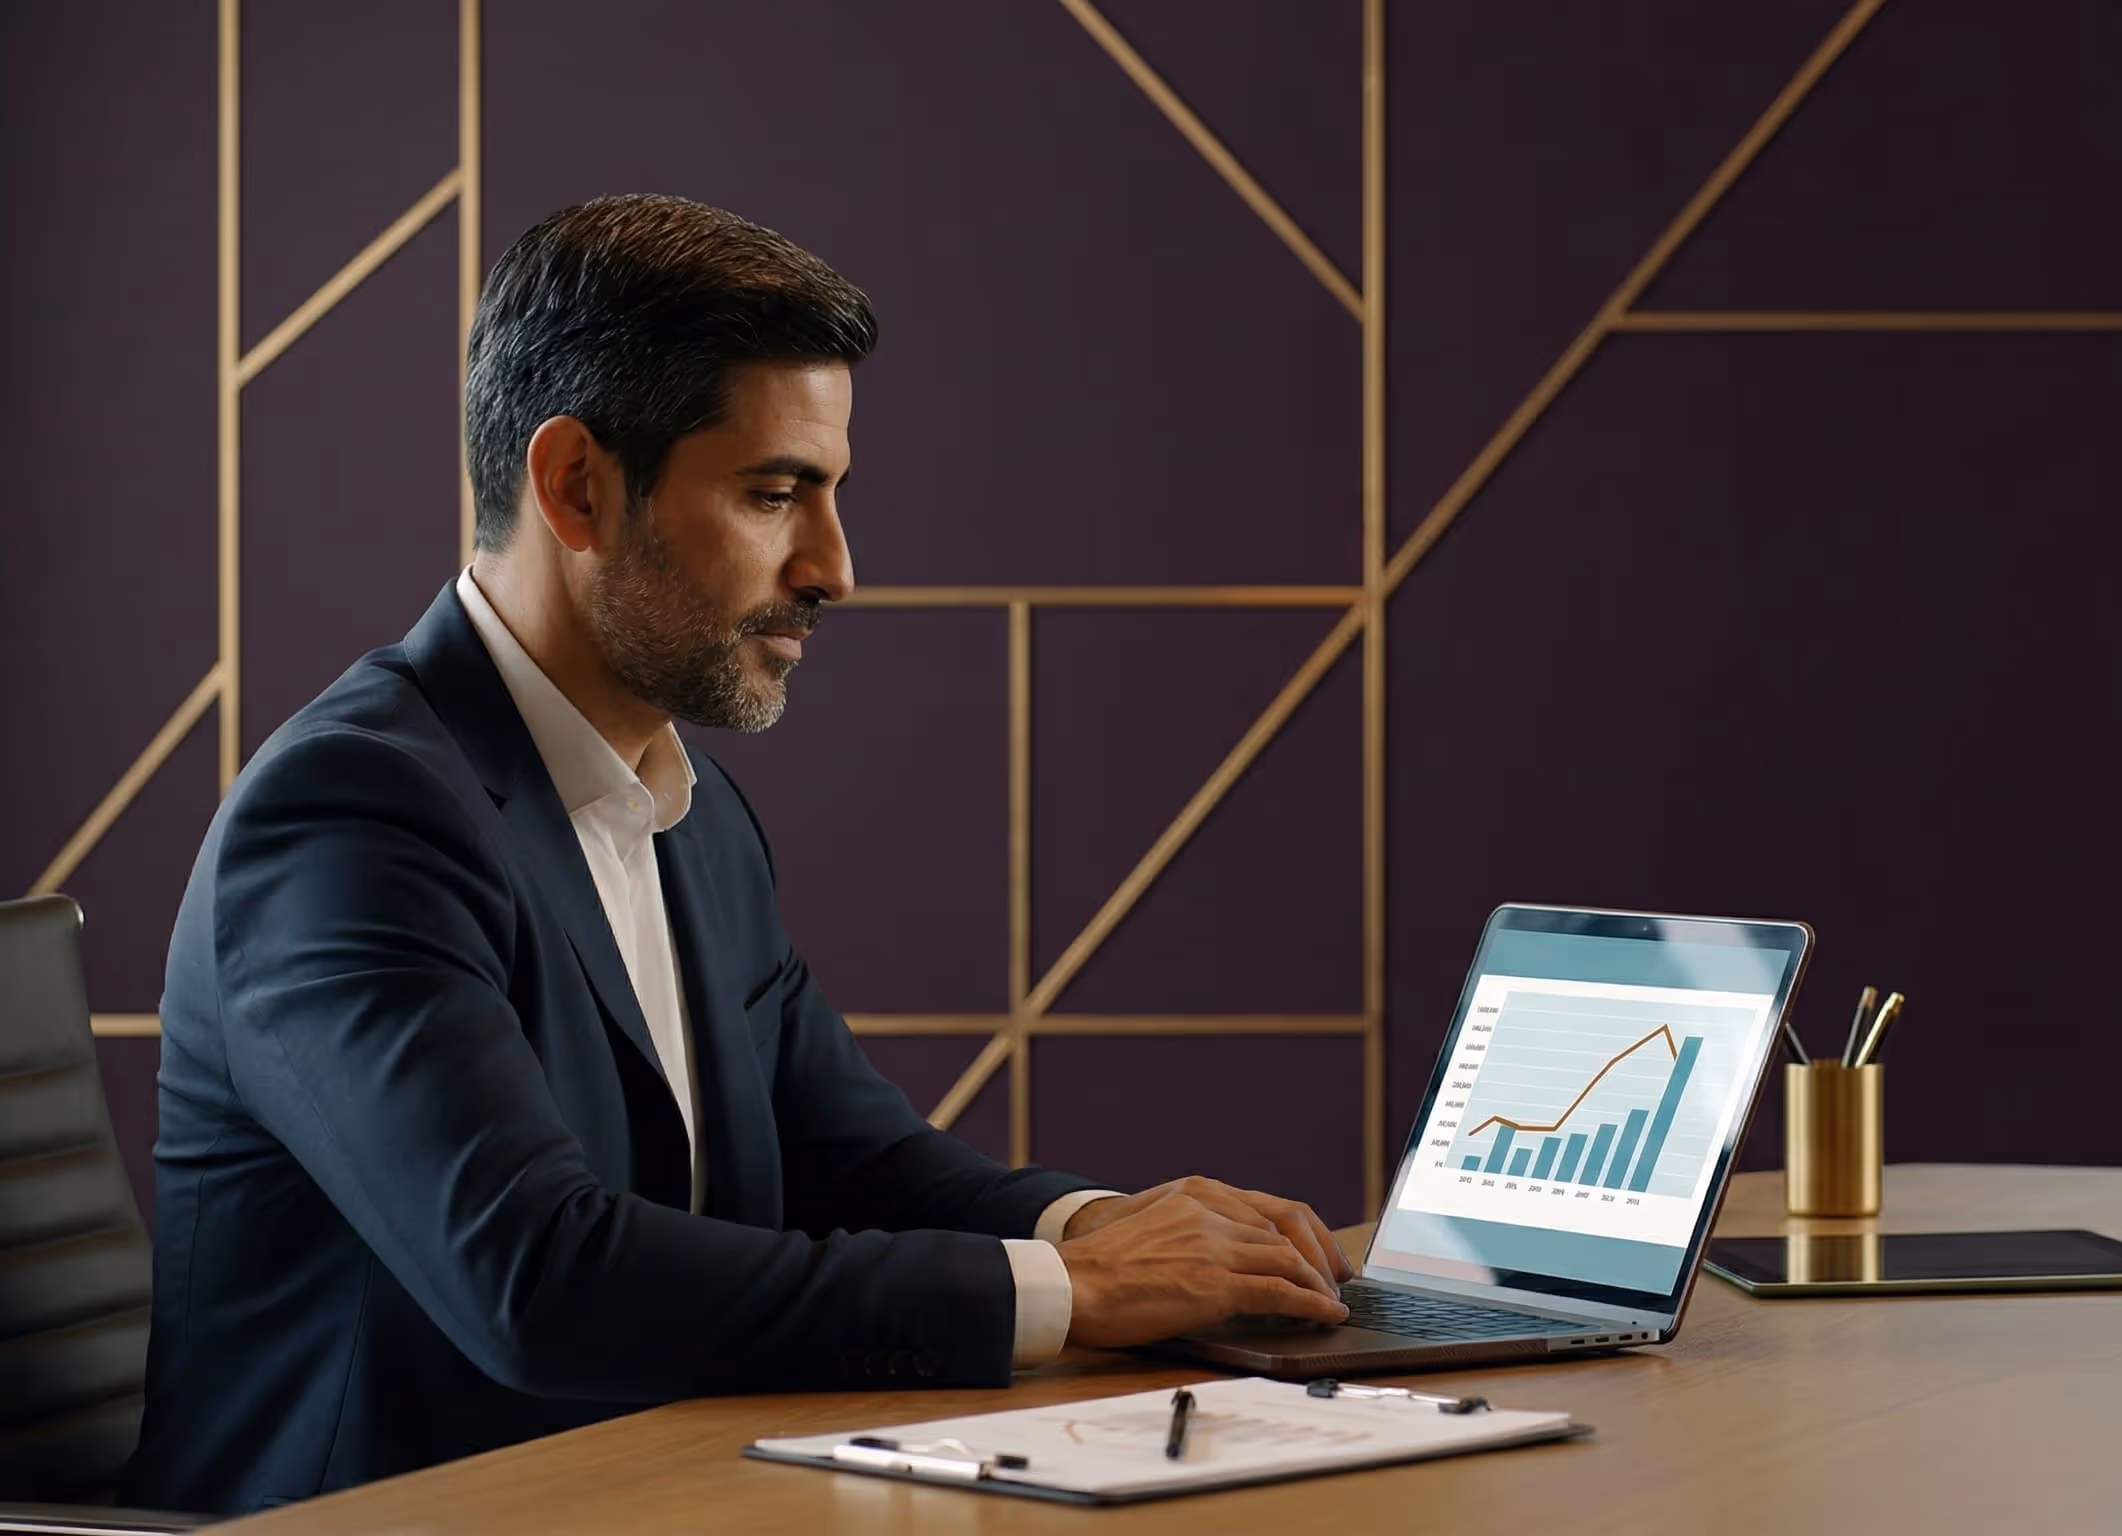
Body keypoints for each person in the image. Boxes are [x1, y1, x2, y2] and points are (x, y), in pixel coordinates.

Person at [125, 194, 1351, 1516]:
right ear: (577, 486)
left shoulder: (686, 805)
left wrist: (1098, 1227)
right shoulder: (348, 819)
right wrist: (1081, 1295)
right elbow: (535, 1279)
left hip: (648, 1493)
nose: (834, 567)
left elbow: (850, 1160)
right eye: (777, 494)